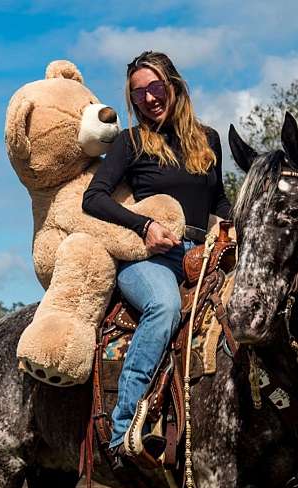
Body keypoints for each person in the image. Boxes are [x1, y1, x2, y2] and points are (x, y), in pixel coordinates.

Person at [82, 50, 232, 462]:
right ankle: (123, 429)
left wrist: (241, 226)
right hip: (148, 261)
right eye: (138, 93)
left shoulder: (209, 139)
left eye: (155, 87)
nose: (148, 98)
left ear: (174, 85)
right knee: (163, 307)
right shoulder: (131, 143)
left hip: (202, 255)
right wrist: (143, 226)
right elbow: (92, 199)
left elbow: (218, 199)